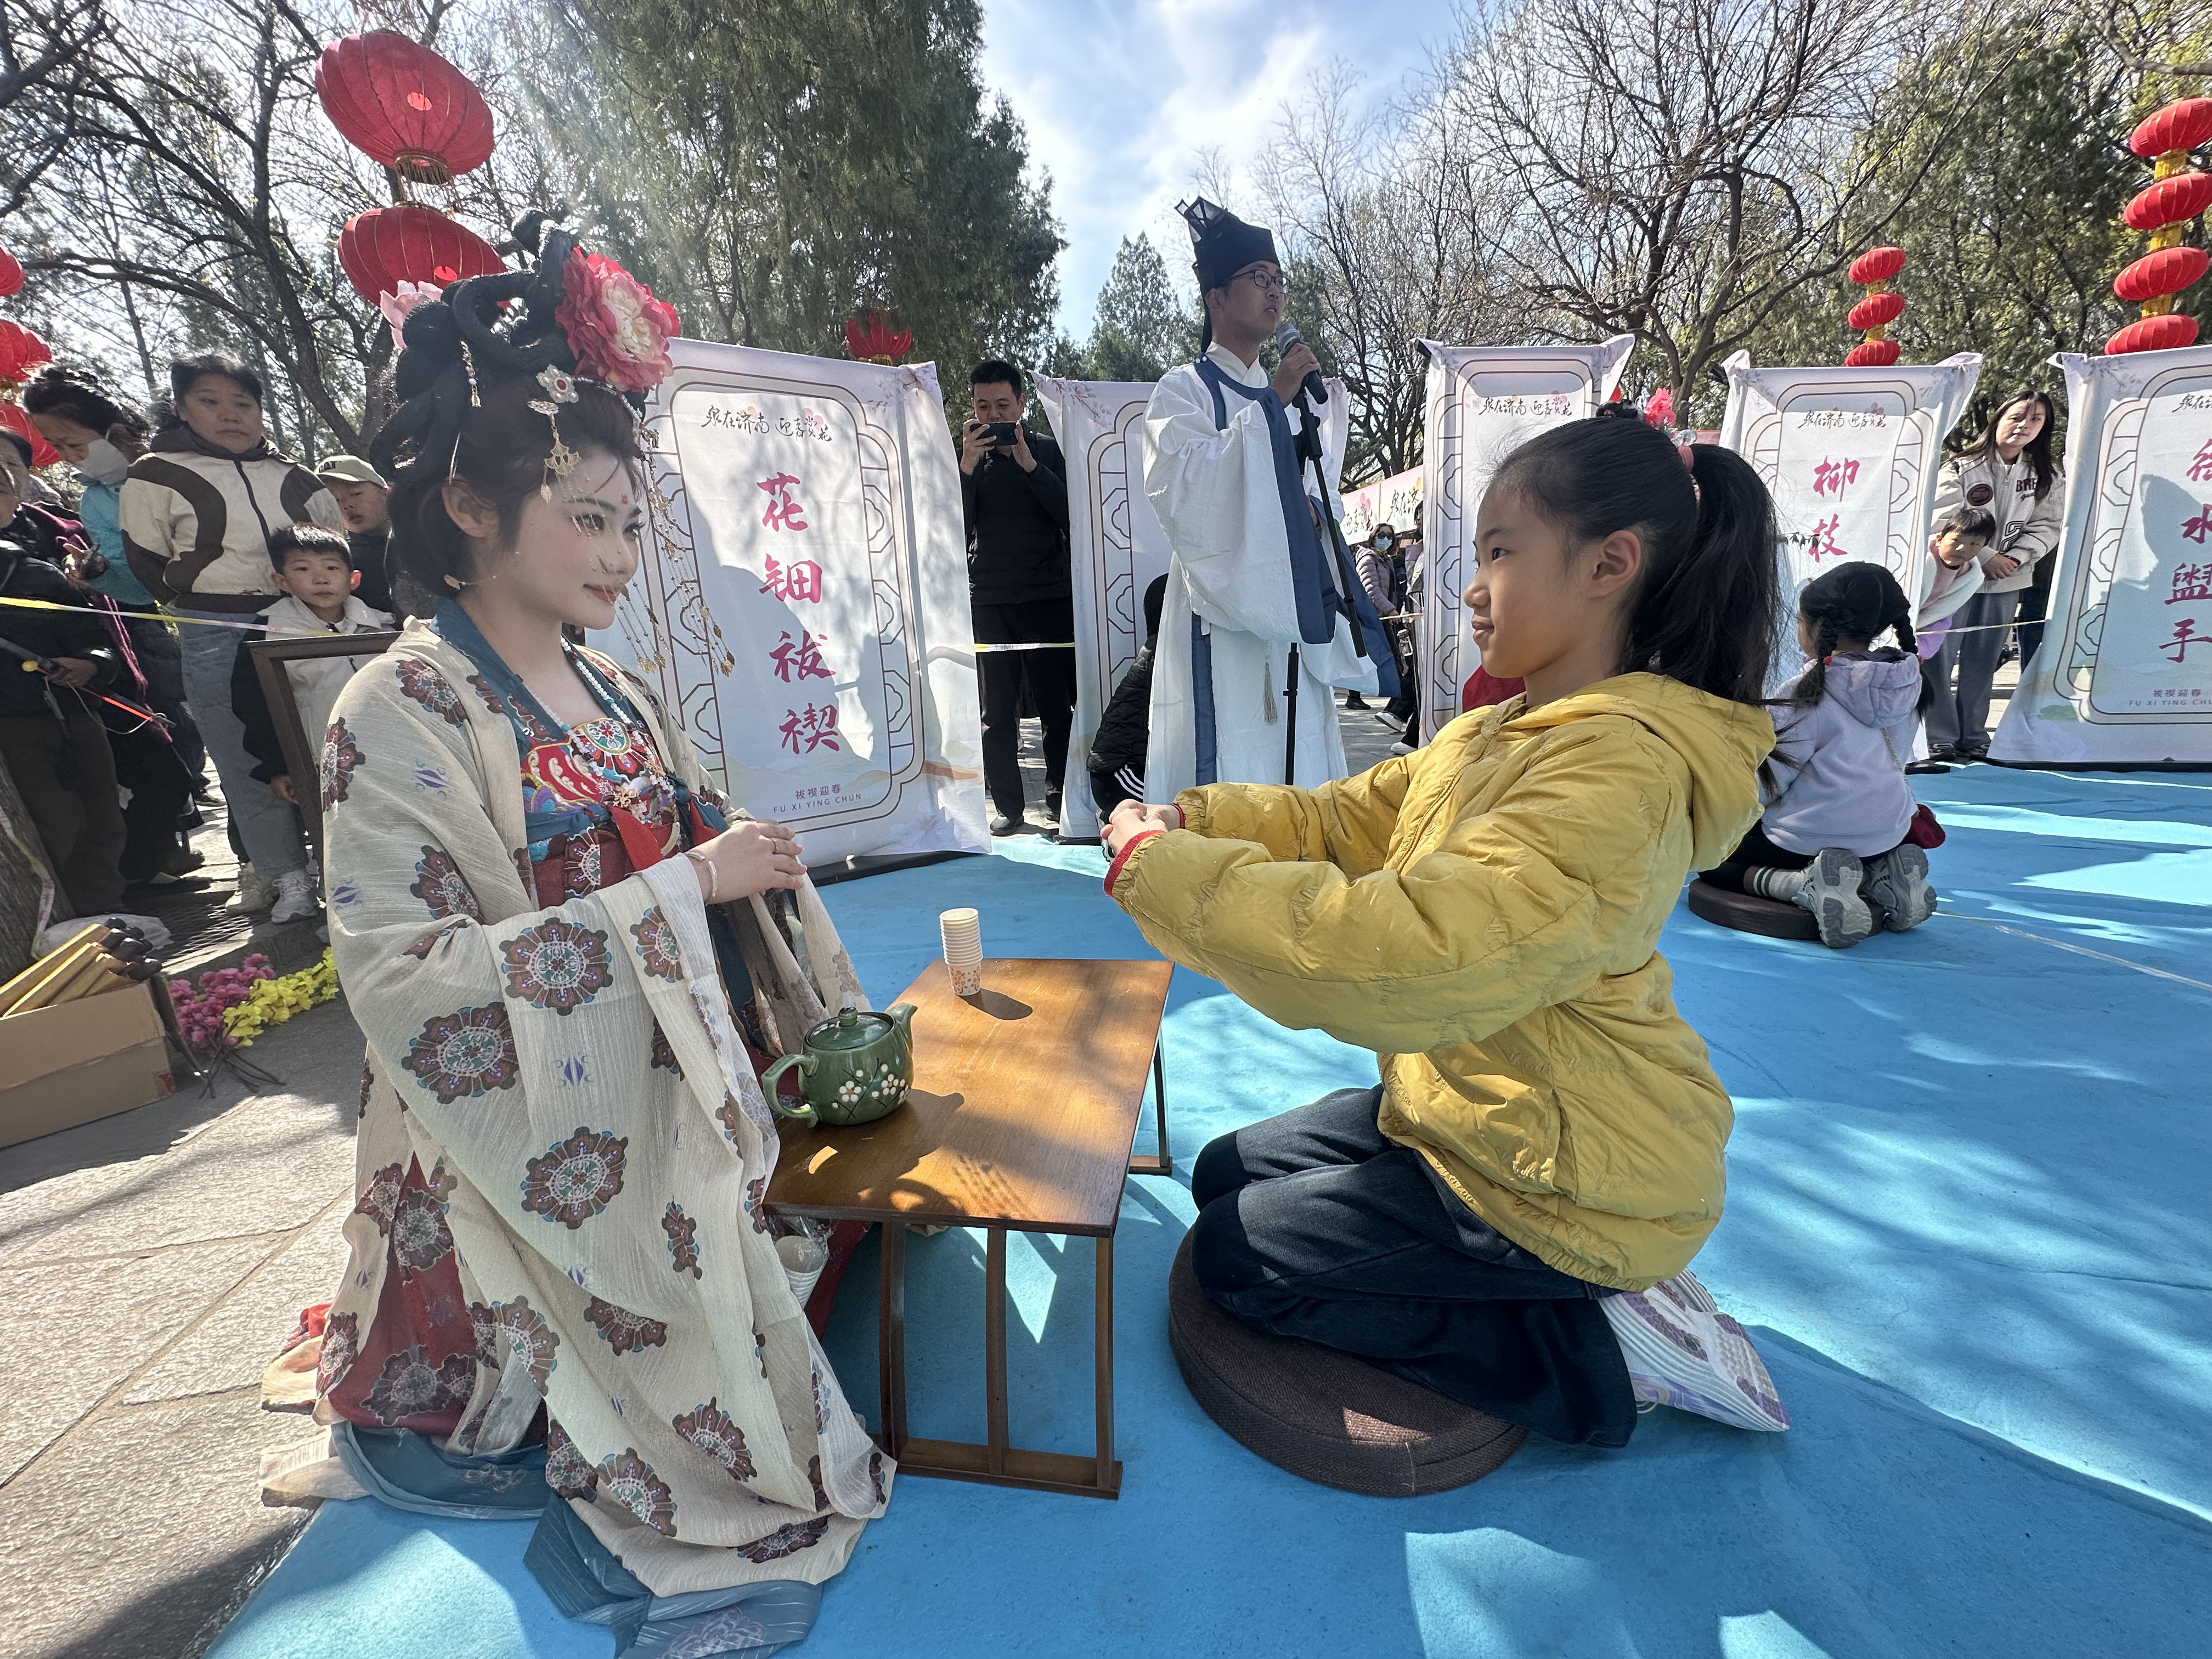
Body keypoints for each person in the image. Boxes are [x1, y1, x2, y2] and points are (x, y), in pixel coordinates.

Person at [306, 219, 887, 1635]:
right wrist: (690, 888)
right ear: (467, 508)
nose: (621, 555)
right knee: (730, 1424)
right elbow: (409, 980)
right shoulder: (400, 708)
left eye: (634, 522)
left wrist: (734, 867)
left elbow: (681, 835)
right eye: (589, 517)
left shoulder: (609, 687)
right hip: (522, 1102)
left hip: (656, 1055)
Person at [1101, 408, 1790, 1449]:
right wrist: (1192, 819)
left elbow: (1410, 954)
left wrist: (1159, 872)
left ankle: (1602, 1347)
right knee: (1223, 1173)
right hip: (1482, 1102)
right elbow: (1342, 821)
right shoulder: (1494, 730)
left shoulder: (1621, 771)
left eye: (1501, 553)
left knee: (1240, 1260)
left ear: (1609, 565)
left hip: (1569, 1174)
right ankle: (1552, 1289)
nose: (1471, 585)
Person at [1142, 198, 1396, 798]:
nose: (1274, 291)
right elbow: (1186, 490)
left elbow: (1312, 493)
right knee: (1229, 751)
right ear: (1217, 299)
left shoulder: (1285, 395)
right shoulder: (1184, 389)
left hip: (1288, 610)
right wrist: (1271, 406)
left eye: (1278, 279)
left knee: (1298, 741)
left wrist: (1309, 507)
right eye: (1258, 278)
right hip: (1219, 608)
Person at [118, 355, 343, 917]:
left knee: (335, 741)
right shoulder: (154, 473)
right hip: (215, 627)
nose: (230, 415)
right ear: (182, 407)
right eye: (211, 401)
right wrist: (198, 596)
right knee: (247, 757)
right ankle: (286, 874)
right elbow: (145, 558)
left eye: (243, 403)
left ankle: (348, 869)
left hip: (303, 621)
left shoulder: (295, 477)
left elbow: (334, 543)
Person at [25, 366, 210, 874]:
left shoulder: (180, 465)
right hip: (190, 628)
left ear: (115, 432)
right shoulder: (95, 500)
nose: (67, 456)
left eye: (73, 443)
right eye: (56, 446)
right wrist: (99, 576)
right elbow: (138, 587)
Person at [1703, 562, 1935, 949]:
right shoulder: (1908, 680)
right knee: (1857, 840)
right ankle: (1883, 876)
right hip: (1888, 832)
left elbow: (1769, 785)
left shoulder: (1805, 691)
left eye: (1798, 621)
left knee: (1713, 859)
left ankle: (1801, 884)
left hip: (1807, 837)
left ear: (1816, 627)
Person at [960, 359, 1074, 834]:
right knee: (996, 711)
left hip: (1048, 596)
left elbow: (1071, 516)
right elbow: (951, 531)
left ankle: (1061, 799)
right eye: (982, 406)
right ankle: (1007, 807)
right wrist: (966, 468)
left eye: (1002, 405)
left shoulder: (1048, 450)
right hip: (990, 598)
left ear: (1022, 405)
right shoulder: (964, 457)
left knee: (1056, 706)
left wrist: (1029, 465)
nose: (992, 416)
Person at [1925, 391, 2061, 760]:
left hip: (2008, 579)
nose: (2024, 426)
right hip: (1955, 577)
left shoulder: (2044, 475)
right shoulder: (1961, 468)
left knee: (1984, 658)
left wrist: (2014, 558)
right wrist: (1984, 556)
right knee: (1940, 655)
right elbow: (1941, 520)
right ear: (1998, 419)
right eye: (2017, 417)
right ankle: (1938, 735)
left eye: (2035, 421)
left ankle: (1974, 735)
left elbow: (2048, 525)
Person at [230, 526, 395, 828]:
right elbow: (255, 705)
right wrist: (277, 766)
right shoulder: (268, 634)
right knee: (340, 833)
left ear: (353, 578)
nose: (321, 579)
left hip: (390, 753)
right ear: (281, 581)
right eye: (303, 569)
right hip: (320, 760)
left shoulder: (383, 625)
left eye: (332, 568)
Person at [0, 528, 125, 914]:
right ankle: (63, 917)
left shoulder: (37, 574)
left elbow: (95, 636)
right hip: (12, 725)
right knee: (58, 821)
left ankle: (108, 913)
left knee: (105, 818)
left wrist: (91, 663)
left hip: (73, 709)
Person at [1087, 574, 1169, 819]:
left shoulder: (1158, 649)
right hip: (1119, 775)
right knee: (1177, 808)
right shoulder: (1160, 655)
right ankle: (1115, 826)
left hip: (1120, 769)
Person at [314, 453, 403, 616]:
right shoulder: (337, 557)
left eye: (355, 494)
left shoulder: (419, 539)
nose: (347, 505)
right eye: (334, 501)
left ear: (386, 493)